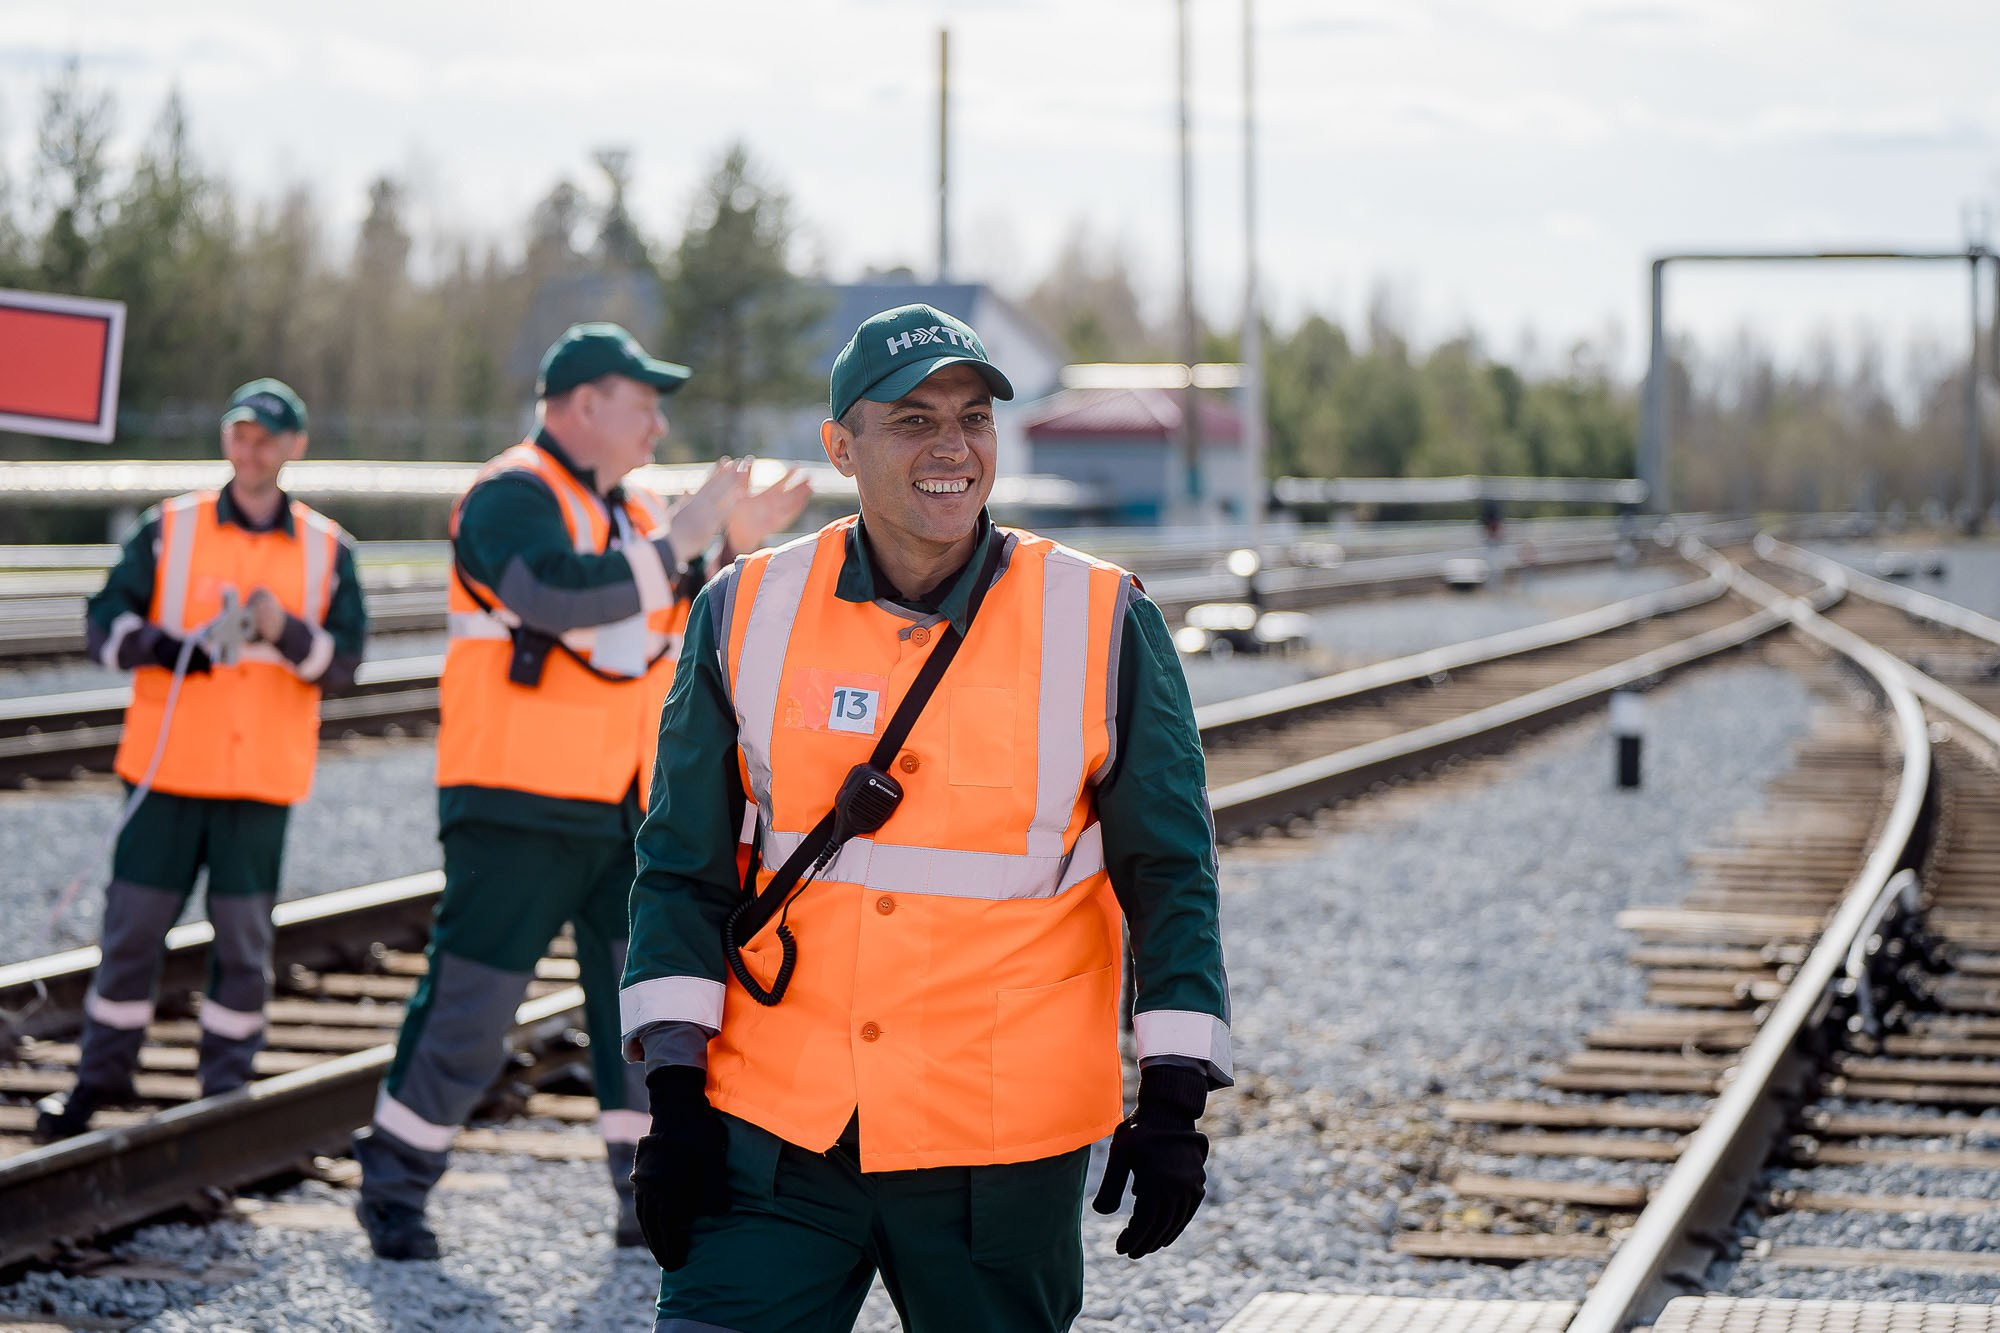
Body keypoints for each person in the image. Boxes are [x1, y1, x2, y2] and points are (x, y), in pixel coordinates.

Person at [619, 304, 1231, 1332]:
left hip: (999, 1144)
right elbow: (681, 868)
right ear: (840, 446)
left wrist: (1173, 1093)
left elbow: (1170, 871)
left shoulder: (1102, 618)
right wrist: (674, 1097)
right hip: (776, 1126)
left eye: (972, 419)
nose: (953, 447)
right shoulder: (742, 609)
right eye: (914, 421)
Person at [351, 323, 810, 1261]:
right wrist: (685, 538)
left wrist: (727, 543)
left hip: (628, 808)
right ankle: (393, 1186)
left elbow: (667, 617)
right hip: (517, 801)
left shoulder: (637, 506)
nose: (658, 425)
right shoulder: (509, 495)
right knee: (473, 1008)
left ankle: (643, 1198)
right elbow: (555, 595)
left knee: (641, 1013)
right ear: (586, 405)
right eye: (644, 404)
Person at [35, 378, 368, 1140]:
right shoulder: (168, 528)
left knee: (244, 948)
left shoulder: (328, 548)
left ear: (293, 447)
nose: (251, 449)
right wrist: (158, 644)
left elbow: (346, 663)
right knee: (130, 933)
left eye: (266, 437)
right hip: (167, 773)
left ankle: (224, 1091)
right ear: (227, 439)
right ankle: (100, 1077)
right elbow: (101, 623)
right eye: (240, 433)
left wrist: (287, 632)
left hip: (259, 782)